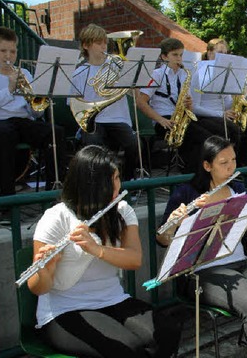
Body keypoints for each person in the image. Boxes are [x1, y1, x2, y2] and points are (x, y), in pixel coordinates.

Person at [28, 145, 180, 357]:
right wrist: (45, 269)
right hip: (64, 310)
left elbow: (134, 259)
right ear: (87, 185)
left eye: (117, 178)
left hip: (113, 300)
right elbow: (38, 288)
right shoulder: (56, 218)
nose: (116, 187)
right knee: (126, 349)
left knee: (168, 332)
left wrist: (97, 248)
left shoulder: (121, 211)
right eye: (108, 182)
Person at [160, 135, 247, 358]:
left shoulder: (238, 188)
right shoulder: (187, 193)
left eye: (233, 160)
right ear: (207, 165)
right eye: (224, 163)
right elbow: (162, 239)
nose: (231, 167)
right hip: (202, 270)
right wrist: (175, 222)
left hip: (241, 262)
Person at [0, 26, 65, 197]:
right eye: (3, 51)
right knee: (5, 133)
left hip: (21, 122)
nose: (8, 56)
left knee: (55, 132)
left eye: (12, 51)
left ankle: (54, 192)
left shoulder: (25, 73)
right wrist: (9, 89)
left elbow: (35, 114)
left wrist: (35, 104)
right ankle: (7, 197)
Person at [71, 23, 138, 181]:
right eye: (99, 42)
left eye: (105, 42)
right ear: (86, 45)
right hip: (94, 121)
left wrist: (131, 80)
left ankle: (127, 183)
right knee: (94, 146)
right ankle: (99, 184)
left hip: (118, 119)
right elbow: (73, 103)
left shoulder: (117, 66)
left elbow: (132, 94)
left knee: (134, 144)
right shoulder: (79, 72)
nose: (104, 46)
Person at [136, 37, 211, 173]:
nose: (179, 59)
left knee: (211, 133)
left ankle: (192, 170)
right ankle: (193, 173)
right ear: (164, 57)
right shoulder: (156, 75)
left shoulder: (183, 74)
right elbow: (141, 102)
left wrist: (189, 104)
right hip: (164, 120)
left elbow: (188, 106)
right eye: (175, 55)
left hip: (180, 118)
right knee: (202, 137)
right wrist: (160, 119)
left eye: (181, 55)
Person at [189, 38, 247, 167]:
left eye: (226, 53)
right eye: (220, 53)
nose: (224, 56)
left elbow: (228, 100)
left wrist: (238, 109)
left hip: (223, 115)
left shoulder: (228, 73)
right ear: (210, 53)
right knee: (232, 130)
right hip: (204, 117)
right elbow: (194, 107)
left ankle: (242, 160)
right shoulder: (198, 74)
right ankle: (229, 164)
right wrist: (221, 114)